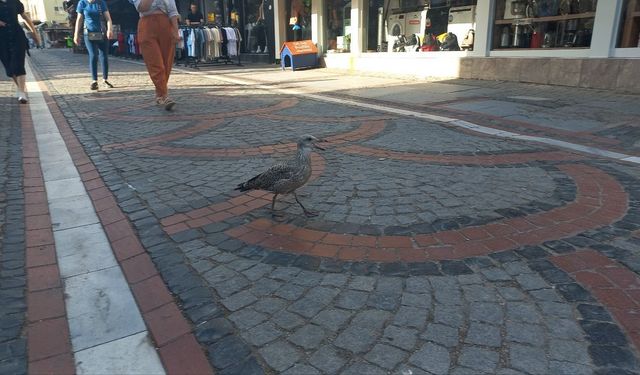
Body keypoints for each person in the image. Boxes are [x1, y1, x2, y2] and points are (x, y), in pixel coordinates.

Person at [128, 0, 180, 111]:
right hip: (146, 25)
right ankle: (165, 96)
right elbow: (141, 7)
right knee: (155, 62)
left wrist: (175, 31)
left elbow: (173, 11)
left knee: (167, 62)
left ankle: (159, 94)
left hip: (166, 24)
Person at [0, 0, 40, 104]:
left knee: (18, 64)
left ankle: (22, 93)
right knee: (9, 67)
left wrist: (34, 33)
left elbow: (25, 17)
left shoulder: (15, 2)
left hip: (17, 35)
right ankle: (20, 89)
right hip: (2, 39)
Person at [73, 0, 114, 90]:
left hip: (102, 33)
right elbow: (79, 19)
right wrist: (76, 34)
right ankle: (94, 81)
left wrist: (109, 29)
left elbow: (108, 18)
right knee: (93, 55)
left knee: (104, 56)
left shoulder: (101, 2)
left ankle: (105, 79)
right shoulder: (82, 3)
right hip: (88, 33)